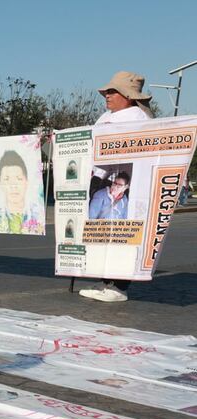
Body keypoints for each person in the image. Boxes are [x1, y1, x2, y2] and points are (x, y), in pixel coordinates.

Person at [79, 71, 154, 304]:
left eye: (112, 91)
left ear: (128, 96)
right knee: (101, 230)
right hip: (103, 179)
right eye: (107, 91)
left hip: (125, 182)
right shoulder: (106, 117)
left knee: (121, 233)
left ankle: (119, 285)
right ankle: (106, 281)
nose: (107, 95)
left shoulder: (138, 117)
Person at [0, 151, 42, 234]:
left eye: (19, 178)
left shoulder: (38, 213)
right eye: (6, 179)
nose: (13, 185)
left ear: (26, 182)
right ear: (0, 183)